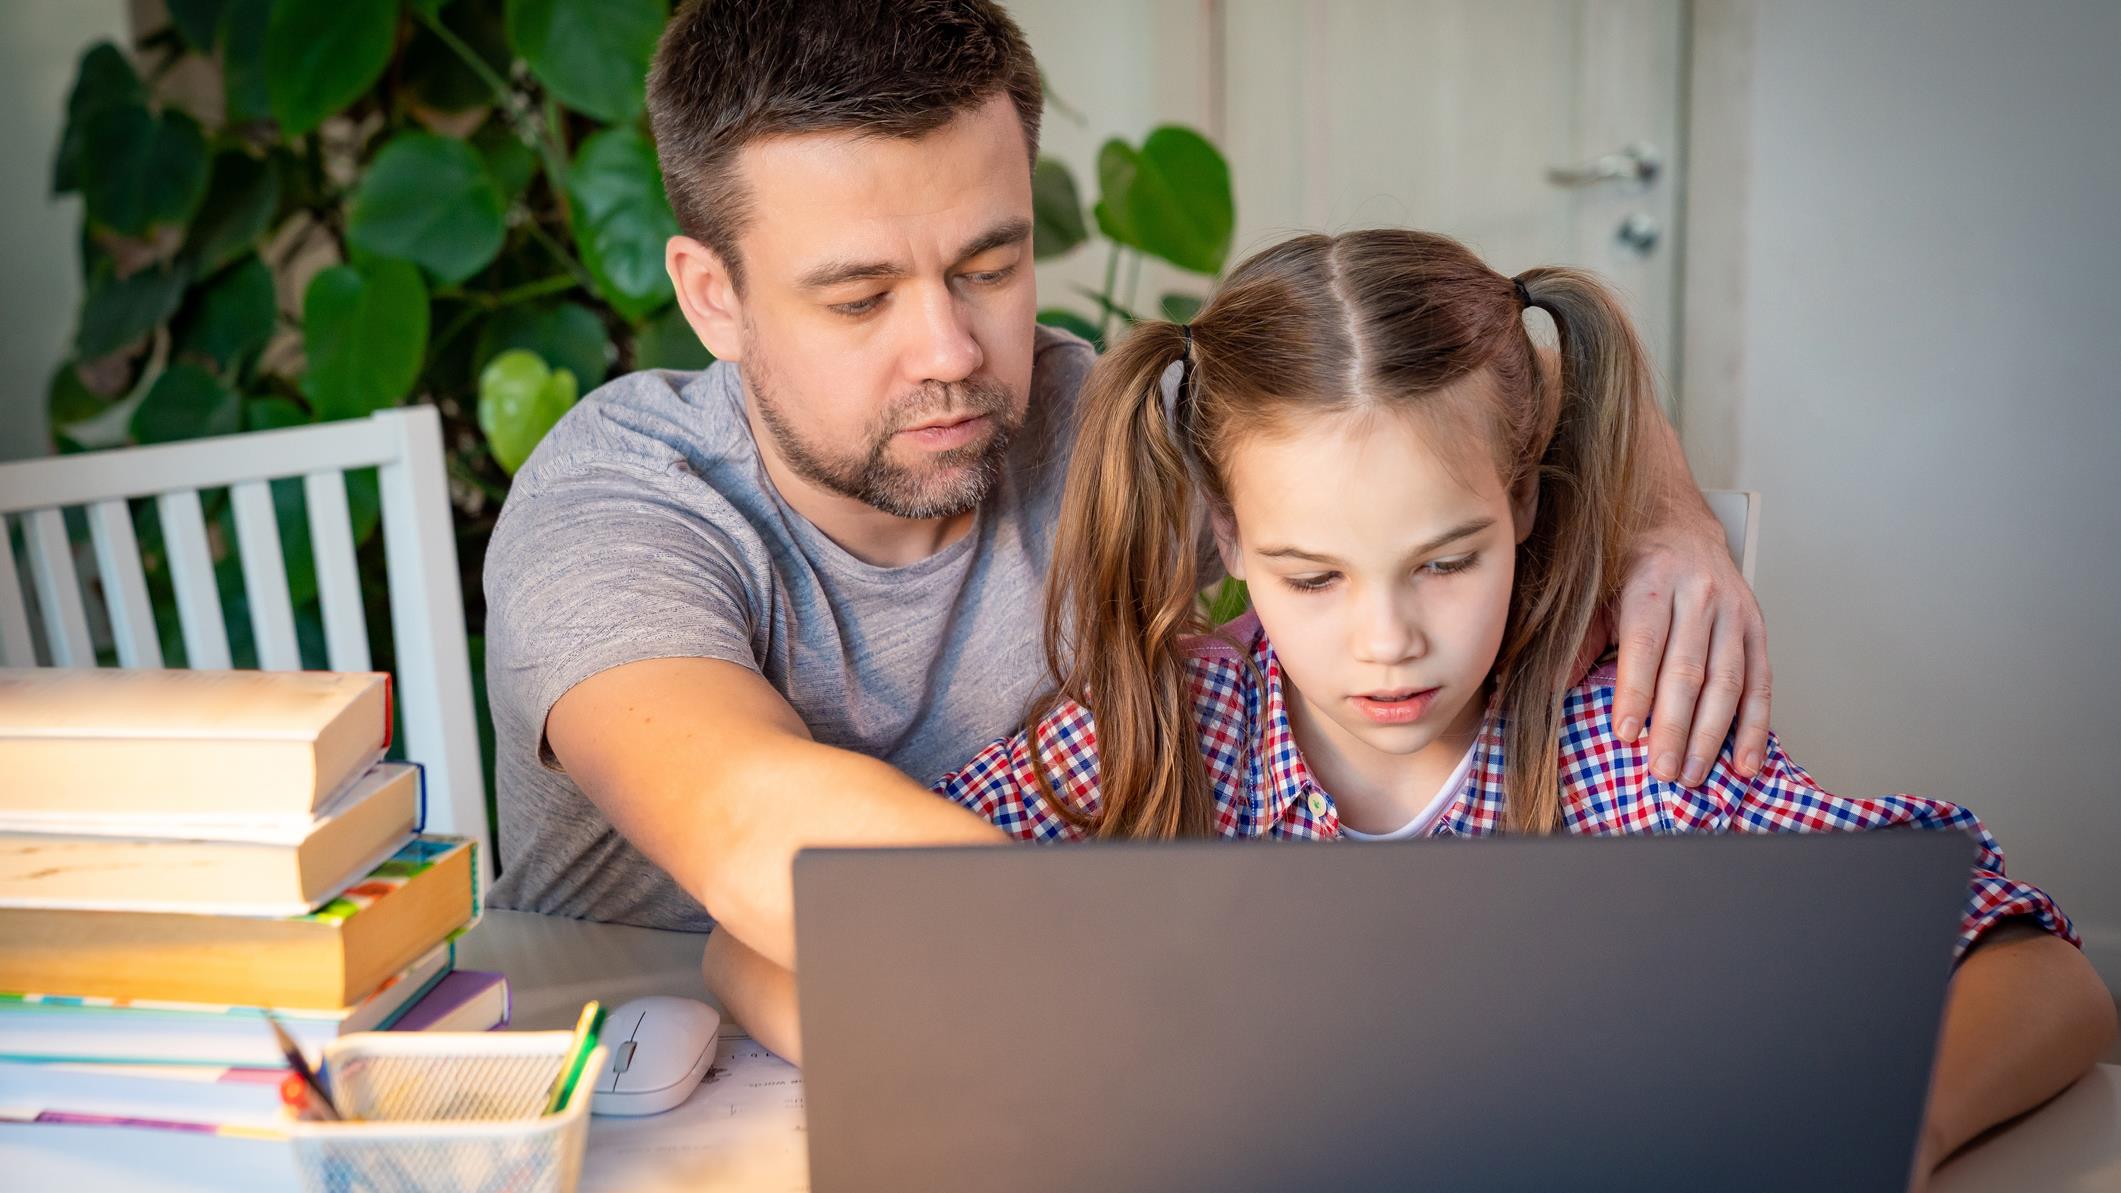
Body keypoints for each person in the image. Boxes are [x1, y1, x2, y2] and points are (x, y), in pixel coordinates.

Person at [710, 229, 2114, 1179]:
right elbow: (762, 952)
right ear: (1226, 539)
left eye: (1447, 563)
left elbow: (2051, 976)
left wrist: (1895, 1124)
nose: (1387, 642)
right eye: (1312, 577)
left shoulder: (1621, 743)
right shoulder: (1161, 736)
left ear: (1525, 506)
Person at [486, 0, 1770, 1009]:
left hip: (1033, 1045)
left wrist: (1662, 507)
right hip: (647, 1084)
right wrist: (1218, 1005)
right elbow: (757, 826)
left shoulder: (1099, 427)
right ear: (712, 295)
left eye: (989, 265)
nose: (949, 348)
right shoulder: (621, 501)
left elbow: (1429, 379)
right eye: (862, 297)